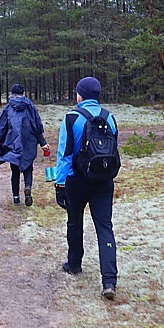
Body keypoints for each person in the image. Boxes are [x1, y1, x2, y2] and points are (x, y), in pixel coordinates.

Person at [54, 77, 119, 300]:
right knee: (104, 227)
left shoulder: (72, 118)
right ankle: (109, 280)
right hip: (104, 181)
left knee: (74, 221)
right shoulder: (109, 117)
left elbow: (64, 154)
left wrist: (59, 184)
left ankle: (74, 264)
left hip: (76, 180)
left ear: (80, 95)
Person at [0, 84, 50, 206]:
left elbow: (0, 126)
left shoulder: (8, 107)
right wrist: (43, 143)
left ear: (12, 93)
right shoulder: (30, 106)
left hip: (13, 143)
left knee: (15, 171)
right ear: (23, 93)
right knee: (28, 169)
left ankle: (16, 198)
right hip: (29, 142)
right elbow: (37, 126)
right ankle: (28, 189)